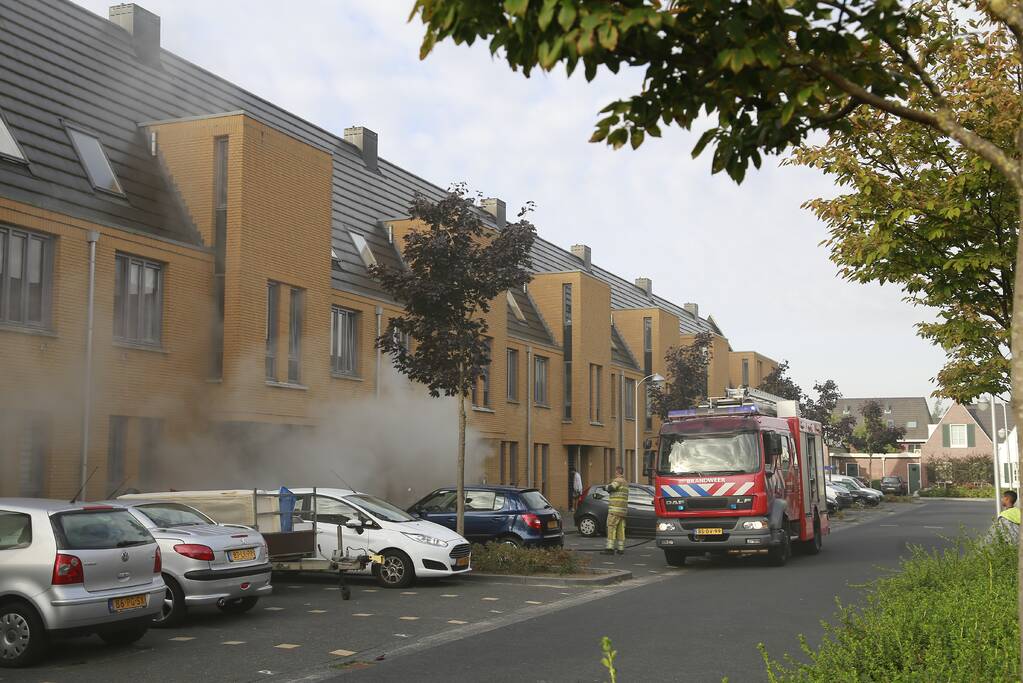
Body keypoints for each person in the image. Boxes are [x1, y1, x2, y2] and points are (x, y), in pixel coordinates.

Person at [603, 466, 629, 555]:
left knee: (611, 527)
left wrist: (605, 487)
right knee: (621, 529)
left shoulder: (618, 481)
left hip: (615, 509)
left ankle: (609, 548)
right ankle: (621, 548)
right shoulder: (625, 482)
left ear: (617, 472)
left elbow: (611, 488)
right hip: (622, 511)